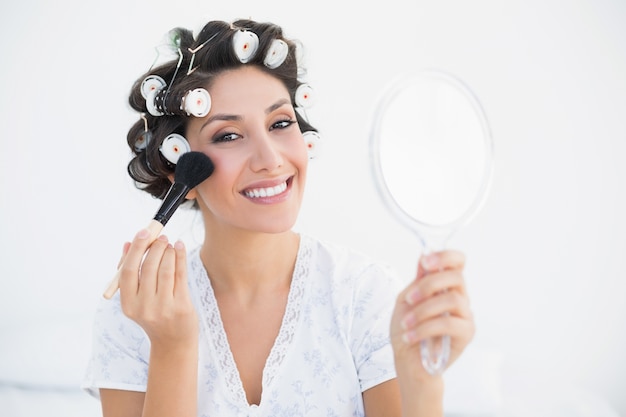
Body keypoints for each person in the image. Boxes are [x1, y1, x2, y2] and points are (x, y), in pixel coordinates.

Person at [82, 18, 475, 417]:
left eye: (280, 123)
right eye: (228, 135)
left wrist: (423, 383)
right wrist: (173, 347)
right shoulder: (134, 313)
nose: (270, 160)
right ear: (181, 172)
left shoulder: (365, 294)